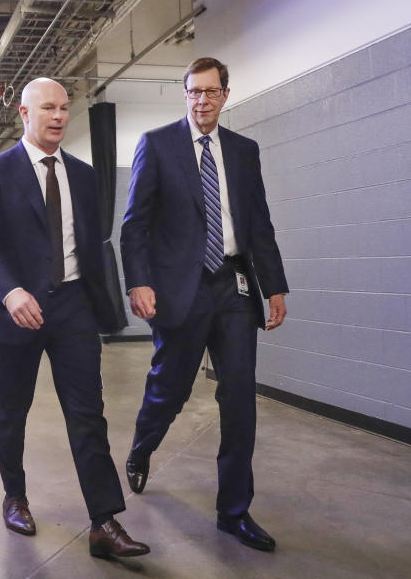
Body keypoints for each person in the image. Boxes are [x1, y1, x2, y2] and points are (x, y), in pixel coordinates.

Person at [0, 77, 149, 559]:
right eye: (48, 108)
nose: (59, 116)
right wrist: (9, 292)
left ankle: (103, 521)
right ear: (25, 114)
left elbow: (91, 244)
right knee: (11, 408)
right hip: (15, 310)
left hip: (71, 306)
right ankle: (14, 496)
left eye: (65, 108)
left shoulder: (85, 176)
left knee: (88, 412)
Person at [120, 57, 288, 552]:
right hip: (179, 289)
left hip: (233, 284)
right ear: (185, 94)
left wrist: (274, 285)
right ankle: (142, 445)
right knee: (169, 389)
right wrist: (140, 283)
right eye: (194, 92)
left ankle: (233, 511)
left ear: (225, 95)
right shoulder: (157, 144)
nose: (202, 101)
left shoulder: (242, 151)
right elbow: (134, 226)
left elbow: (258, 222)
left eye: (211, 92)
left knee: (238, 398)